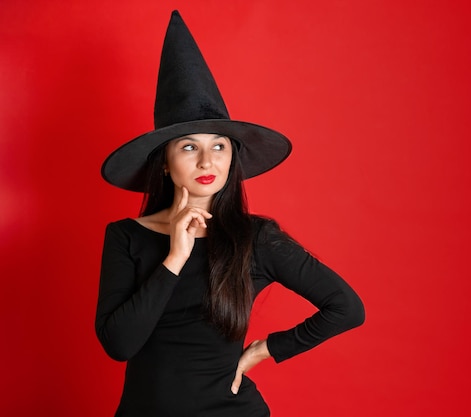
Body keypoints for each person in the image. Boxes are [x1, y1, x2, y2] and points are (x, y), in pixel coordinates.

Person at [95, 10, 365, 417]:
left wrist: (266, 349)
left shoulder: (256, 238)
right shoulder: (126, 236)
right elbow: (119, 345)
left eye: (219, 146)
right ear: (165, 164)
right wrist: (175, 257)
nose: (207, 161)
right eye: (189, 146)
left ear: (231, 158)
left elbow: (346, 307)